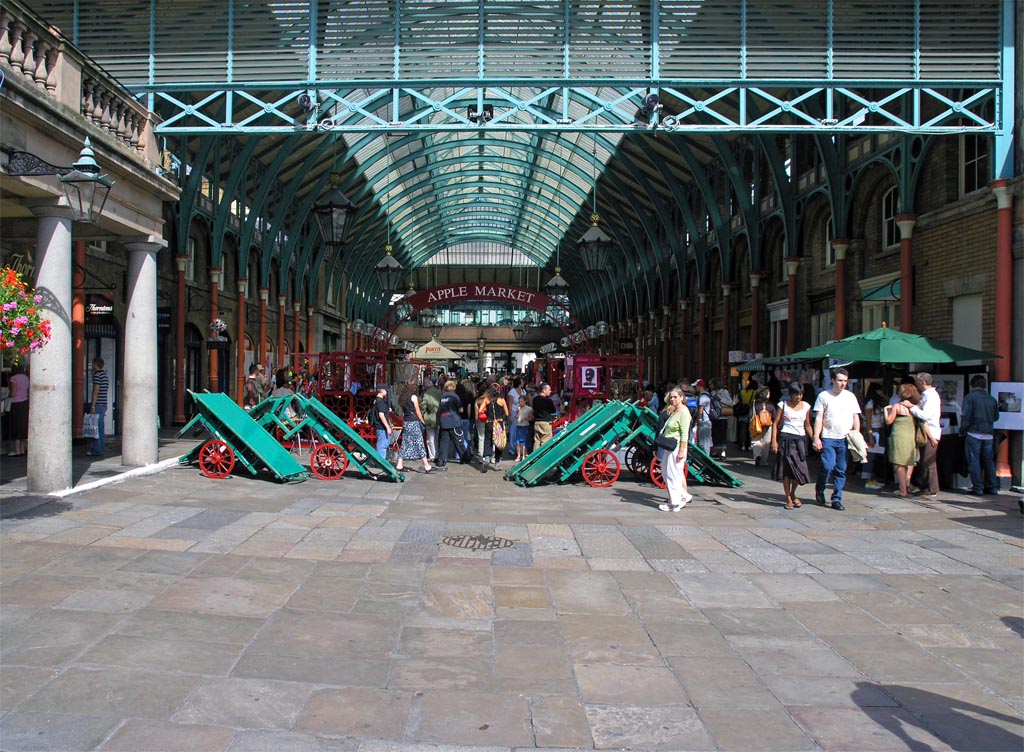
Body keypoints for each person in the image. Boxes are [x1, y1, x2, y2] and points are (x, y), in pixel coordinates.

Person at [811, 367, 862, 511]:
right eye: (840, 380)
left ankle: (836, 499)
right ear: (832, 380)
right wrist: (816, 437)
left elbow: (855, 416)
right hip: (828, 437)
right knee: (828, 466)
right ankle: (820, 489)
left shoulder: (850, 397)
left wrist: (856, 433)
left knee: (841, 469)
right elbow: (819, 418)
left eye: (845, 381)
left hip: (845, 438)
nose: (843, 383)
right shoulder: (824, 396)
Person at [772, 383, 813, 509]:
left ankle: (793, 493)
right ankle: (788, 498)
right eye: (796, 394)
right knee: (787, 471)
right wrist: (774, 441)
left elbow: (807, 424)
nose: (798, 397)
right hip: (786, 439)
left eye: (800, 394)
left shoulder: (806, 406)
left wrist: (815, 439)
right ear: (791, 394)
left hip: (800, 440)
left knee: (800, 469)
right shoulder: (783, 405)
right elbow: (775, 424)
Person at [960, 374, 1000, 496]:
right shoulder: (992, 399)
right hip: (988, 433)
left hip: (974, 433)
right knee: (989, 461)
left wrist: (962, 430)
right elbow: (996, 417)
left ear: (972, 385)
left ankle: (978, 488)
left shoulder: (970, 397)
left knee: (974, 461)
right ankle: (993, 487)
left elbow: (966, 417)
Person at [657, 386, 693, 512]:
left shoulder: (683, 411)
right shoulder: (674, 410)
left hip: (677, 447)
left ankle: (675, 503)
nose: (672, 399)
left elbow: (684, 433)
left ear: (681, 398)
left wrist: (682, 451)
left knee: (673, 475)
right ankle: (684, 495)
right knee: (665, 472)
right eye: (671, 397)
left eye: (675, 397)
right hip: (670, 446)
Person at [907, 372, 942, 498]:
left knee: (928, 461)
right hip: (927, 430)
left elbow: (926, 415)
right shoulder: (926, 395)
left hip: (930, 431)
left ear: (922, 382)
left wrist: (912, 407)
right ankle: (925, 485)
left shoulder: (930, 396)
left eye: (917, 381)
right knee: (923, 460)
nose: (915, 383)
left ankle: (931, 488)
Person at [883, 383, 921, 497]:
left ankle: (902, 489)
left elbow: (889, 421)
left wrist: (885, 410)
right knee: (909, 461)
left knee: (899, 463)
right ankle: (907, 483)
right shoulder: (916, 407)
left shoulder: (897, 406)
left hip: (899, 435)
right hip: (911, 436)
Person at [396, 378, 433, 474]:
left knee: (405, 442)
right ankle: (426, 465)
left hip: (407, 422)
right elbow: (417, 411)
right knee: (419, 442)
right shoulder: (414, 397)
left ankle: (399, 463)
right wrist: (422, 421)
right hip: (414, 422)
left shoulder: (403, 398)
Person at [435, 380, 469, 470]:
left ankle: (441, 460)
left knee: (443, 442)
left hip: (443, 421)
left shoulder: (443, 397)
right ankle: (464, 457)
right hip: (453, 421)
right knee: (458, 441)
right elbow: (461, 409)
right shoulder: (454, 396)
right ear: (453, 387)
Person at [862, 382, 888, 489]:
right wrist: (871, 434)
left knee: (877, 455)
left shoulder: (877, 402)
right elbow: (868, 421)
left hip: (878, 430)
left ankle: (873, 478)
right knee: (871, 456)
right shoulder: (870, 403)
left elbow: (887, 400)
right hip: (873, 430)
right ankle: (868, 479)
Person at [480, 384, 510, 468]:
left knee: (488, 440)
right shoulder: (502, 400)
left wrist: (485, 413)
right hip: (499, 423)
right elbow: (507, 413)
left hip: (489, 423)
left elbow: (480, 410)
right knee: (499, 442)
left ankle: (486, 457)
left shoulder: (487, 399)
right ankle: (497, 462)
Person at [87, 357, 109, 456]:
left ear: (96, 364)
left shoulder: (97, 376)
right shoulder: (105, 375)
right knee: (100, 427)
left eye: (93, 364)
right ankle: (101, 447)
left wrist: (92, 406)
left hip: (98, 404)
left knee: (94, 427)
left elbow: (96, 391)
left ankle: (97, 449)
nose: (92, 365)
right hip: (104, 404)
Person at [749, 386, 776, 467]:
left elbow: (750, 414)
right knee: (766, 443)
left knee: (756, 440)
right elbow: (775, 415)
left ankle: (757, 456)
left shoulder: (754, 403)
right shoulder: (770, 404)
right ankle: (764, 461)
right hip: (768, 425)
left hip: (757, 424)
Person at [7, 363, 28, 456]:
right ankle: (22, 449)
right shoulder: (26, 378)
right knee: (22, 424)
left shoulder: (13, 378)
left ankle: (17, 450)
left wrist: (8, 394)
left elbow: (13, 393)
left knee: (15, 425)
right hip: (24, 402)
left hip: (16, 403)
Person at [709, 377, 732, 459]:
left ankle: (722, 451)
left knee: (722, 434)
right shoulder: (712, 393)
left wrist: (721, 398)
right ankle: (715, 449)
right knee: (714, 434)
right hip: (714, 415)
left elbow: (730, 402)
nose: (710, 386)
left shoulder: (724, 392)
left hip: (722, 416)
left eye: (711, 384)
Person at [420, 380, 441, 462]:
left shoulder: (427, 394)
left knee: (430, 439)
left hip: (430, 419)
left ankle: (433, 455)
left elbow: (424, 405)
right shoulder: (439, 392)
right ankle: (437, 454)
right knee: (436, 437)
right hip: (438, 417)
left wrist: (421, 413)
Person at [370, 385, 393, 458]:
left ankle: (381, 460)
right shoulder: (381, 402)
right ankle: (381, 461)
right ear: (382, 391)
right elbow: (381, 415)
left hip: (378, 425)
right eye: (386, 391)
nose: (387, 393)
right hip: (381, 426)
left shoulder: (375, 401)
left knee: (383, 443)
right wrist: (387, 427)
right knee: (382, 444)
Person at [532, 382, 556, 448]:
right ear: (543, 390)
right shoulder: (548, 401)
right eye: (549, 390)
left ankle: (535, 457)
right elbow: (553, 410)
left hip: (537, 422)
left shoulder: (535, 399)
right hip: (545, 423)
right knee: (545, 442)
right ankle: (543, 457)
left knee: (537, 441)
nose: (550, 392)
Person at [736, 378, 757, 452]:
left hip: (742, 411)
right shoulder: (755, 392)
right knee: (750, 429)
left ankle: (743, 445)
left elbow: (739, 401)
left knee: (743, 429)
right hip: (750, 411)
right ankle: (749, 445)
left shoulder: (742, 391)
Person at [693, 379, 713, 456]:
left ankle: (706, 457)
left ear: (699, 386)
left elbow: (700, 410)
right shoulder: (707, 395)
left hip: (703, 421)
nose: (695, 388)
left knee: (703, 442)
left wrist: (697, 420)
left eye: (696, 386)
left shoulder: (703, 396)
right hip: (706, 421)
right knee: (705, 441)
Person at [514, 394, 533, 462]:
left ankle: (524, 455)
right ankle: (519, 455)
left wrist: (525, 418)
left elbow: (531, 418)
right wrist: (518, 411)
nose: (520, 403)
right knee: (518, 442)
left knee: (524, 442)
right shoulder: (518, 408)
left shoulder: (529, 409)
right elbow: (516, 417)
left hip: (525, 426)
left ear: (525, 401)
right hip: (519, 426)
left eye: (521, 401)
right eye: (519, 401)